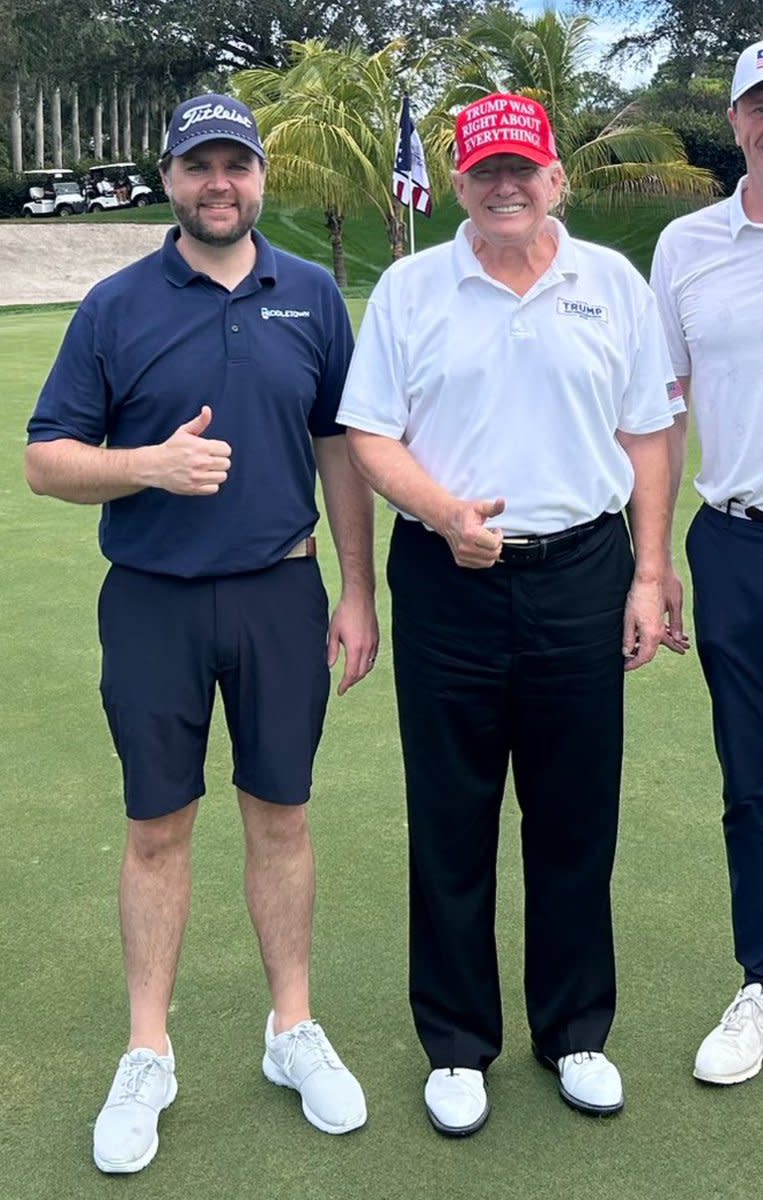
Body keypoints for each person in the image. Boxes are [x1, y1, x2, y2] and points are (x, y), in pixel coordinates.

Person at [25, 92, 378, 1173]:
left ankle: (291, 1029)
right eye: (197, 167)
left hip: (281, 595)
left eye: (236, 164)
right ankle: (148, 1050)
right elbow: (47, 458)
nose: (217, 184)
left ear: (261, 176)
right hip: (152, 601)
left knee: (282, 815)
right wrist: (147, 467)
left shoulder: (312, 294)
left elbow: (340, 451)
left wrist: (358, 590)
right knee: (156, 828)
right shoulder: (116, 304)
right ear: (170, 180)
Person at [338, 92, 683, 1134]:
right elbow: (369, 434)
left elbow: (648, 437)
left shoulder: (609, 284)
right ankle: (455, 1042)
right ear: (457, 183)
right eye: (485, 171)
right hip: (447, 578)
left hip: (581, 569)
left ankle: (574, 1029)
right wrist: (442, 512)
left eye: (521, 170)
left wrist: (648, 572)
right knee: (451, 812)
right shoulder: (410, 288)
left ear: (554, 178)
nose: (504, 187)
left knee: (575, 811)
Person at [651, 41, 763, 1087]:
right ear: (733, 120)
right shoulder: (687, 246)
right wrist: (653, 561)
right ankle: (760, 978)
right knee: (751, 778)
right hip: (734, 539)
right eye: (760, 103)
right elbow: (662, 408)